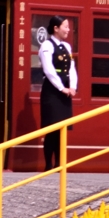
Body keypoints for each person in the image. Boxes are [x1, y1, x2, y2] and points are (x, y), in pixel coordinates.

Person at [39, 15, 77, 171]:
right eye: (65, 26)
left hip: (65, 92)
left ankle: (60, 164)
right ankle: (48, 165)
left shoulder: (67, 47)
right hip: (52, 92)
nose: (68, 30)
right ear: (56, 28)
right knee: (51, 130)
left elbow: (72, 69)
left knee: (62, 131)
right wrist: (61, 88)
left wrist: (73, 86)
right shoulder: (47, 46)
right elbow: (49, 70)